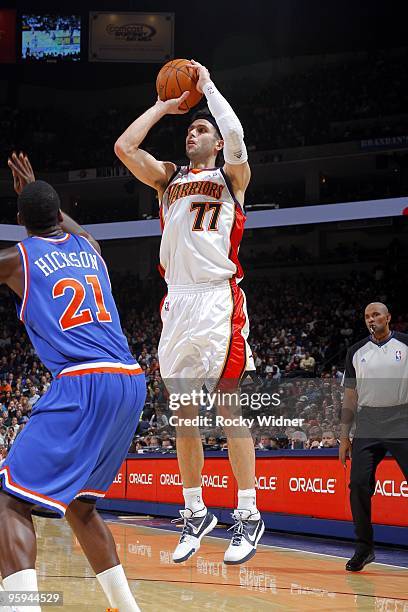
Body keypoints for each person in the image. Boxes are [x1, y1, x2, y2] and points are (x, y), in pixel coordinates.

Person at [115, 59, 264, 565]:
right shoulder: (167, 181)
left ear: (216, 142)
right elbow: (124, 148)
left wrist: (209, 88)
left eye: (201, 129)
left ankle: (248, 513)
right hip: (176, 302)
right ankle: (195, 511)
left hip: (217, 299)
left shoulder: (232, 179)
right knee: (183, 416)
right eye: (191, 129)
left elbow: (237, 133)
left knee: (228, 407)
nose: (192, 134)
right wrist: (163, 105)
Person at [0, 153, 146, 612]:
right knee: (81, 507)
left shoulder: (15, 258)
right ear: (58, 213)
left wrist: (30, 198)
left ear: (20, 220)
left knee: (9, 503)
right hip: (129, 381)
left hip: (82, 380)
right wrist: (37, 190)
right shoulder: (92, 248)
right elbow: (72, 227)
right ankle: (127, 608)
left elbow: (39, 227)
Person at [340, 302, 408, 572]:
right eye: (367, 315)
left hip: (402, 418)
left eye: (377, 314)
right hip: (368, 421)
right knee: (357, 485)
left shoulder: (405, 344)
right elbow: (349, 396)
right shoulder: (355, 351)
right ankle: (364, 548)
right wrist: (344, 436)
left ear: (388, 318)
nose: (372, 319)